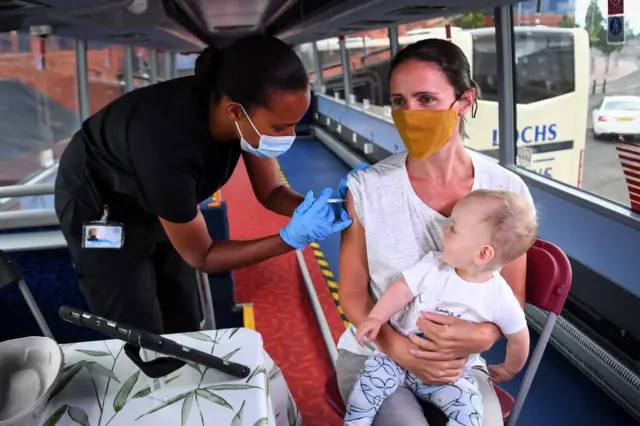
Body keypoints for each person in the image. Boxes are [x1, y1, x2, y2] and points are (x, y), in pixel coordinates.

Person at [54, 34, 363, 336]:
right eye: (281, 126)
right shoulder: (167, 148)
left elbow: (271, 192)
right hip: (101, 207)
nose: (289, 135)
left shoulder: (240, 114)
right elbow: (203, 256)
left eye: (296, 122)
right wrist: (289, 240)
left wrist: (331, 209)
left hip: (162, 201)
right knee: (137, 327)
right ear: (235, 112)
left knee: (183, 313)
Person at [336, 38, 535, 426]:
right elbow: (353, 293)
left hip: (459, 363)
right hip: (375, 353)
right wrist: (398, 349)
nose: (410, 114)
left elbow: (512, 294)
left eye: (425, 99)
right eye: (399, 101)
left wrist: (484, 336)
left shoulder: (507, 191)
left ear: (463, 101)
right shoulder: (366, 189)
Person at [343, 189, 536, 426]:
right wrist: (375, 318)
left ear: (483, 253)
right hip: (396, 359)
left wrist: (510, 368)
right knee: (367, 388)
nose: (443, 230)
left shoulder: (499, 297)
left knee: (471, 413)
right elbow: (402, 289)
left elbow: (519, 338)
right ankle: (356, 421)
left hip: (451, 373)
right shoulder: (434, 265)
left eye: (453, 228)